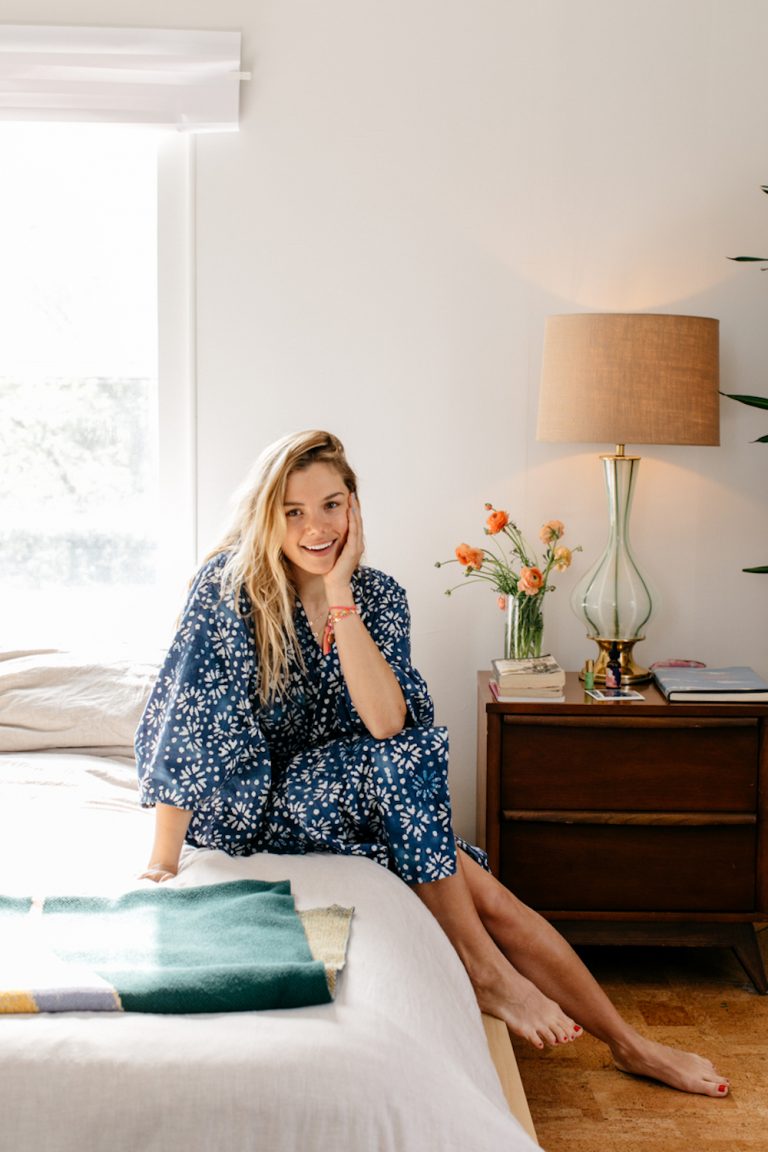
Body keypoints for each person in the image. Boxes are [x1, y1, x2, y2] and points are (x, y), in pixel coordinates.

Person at [136, 429, 729, 1098]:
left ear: (354, 507)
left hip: (355, 794)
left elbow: (386, 721)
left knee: (483, 888)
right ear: (266, 514)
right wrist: (162, 860)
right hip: (251, 803)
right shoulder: (228, 589)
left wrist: (339, 594)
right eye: (293, 511)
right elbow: (186, 724)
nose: (314, 526)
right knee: (417, 789)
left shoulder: (378, 596)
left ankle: (631, 1043)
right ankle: (491, 975)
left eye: (331, 505)